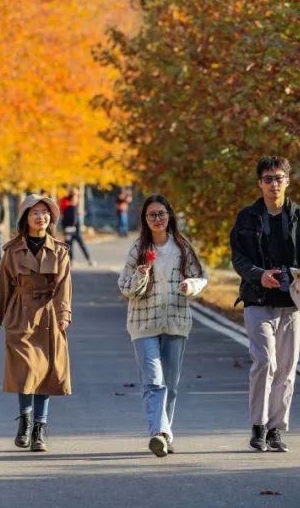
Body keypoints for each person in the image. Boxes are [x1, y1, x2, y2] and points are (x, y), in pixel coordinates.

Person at [230, 156, 300, 453]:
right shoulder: (246, 217)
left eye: (278, 178)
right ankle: (257, 426)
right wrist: (259, 275)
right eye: (268, 179)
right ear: (260, 183)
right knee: (265, 361)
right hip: (258, 299)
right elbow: (239, 258)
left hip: (291, 302)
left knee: (286, 367)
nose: (273, 184)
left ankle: (275, 430)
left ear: (288, 181)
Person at [118, 194, 207, 457]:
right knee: (154, 381)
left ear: (169, 215)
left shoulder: (182, 248)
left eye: (161, 214)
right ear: (145, 220)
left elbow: (200, 277)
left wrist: (189, 286)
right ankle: (159, 433)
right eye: (151, 215)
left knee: (171, 382)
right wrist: (140, 275)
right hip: (143, 324)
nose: (157, 219)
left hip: (177, 322)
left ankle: (164, 433)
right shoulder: (138, 249)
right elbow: (125, 288)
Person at [0, 194, 72, 453]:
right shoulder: (12, 251)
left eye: (45, 212)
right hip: (20, 314)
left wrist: (63, 314)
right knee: (25, 370)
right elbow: (1, 287)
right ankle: (24, 421)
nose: (40, 217)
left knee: (46, 372)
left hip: (48, 316)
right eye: (34, 212)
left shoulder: (59, 250)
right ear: (25, 218)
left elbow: (64, 285)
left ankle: (39, 429)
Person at [60, 189, 94, 267]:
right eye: (75, 198)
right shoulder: (68, 208)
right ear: (72, 199)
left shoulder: (74, 208)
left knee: (81, 245)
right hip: (70, 230)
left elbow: (73, 220)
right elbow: (66, 220)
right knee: (70, 246)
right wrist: (65, 230)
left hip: (74, 231)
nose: (77, 199)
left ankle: (88, 259)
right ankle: (72, 261)